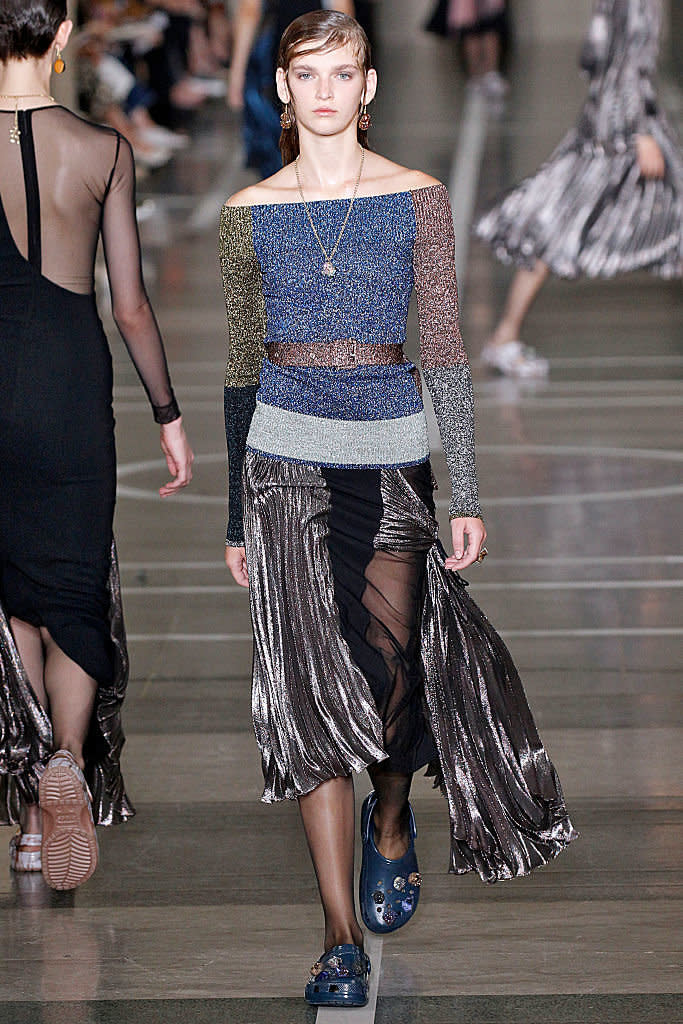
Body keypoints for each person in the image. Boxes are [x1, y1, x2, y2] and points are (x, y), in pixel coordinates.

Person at [220, 11, 576, 1008]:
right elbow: (238, 372)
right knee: (306, 703)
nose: (325, 90)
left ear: (368, 86)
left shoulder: (416, 199)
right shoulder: (246, 210)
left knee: (383, 685)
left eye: (342, 73)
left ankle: (390, 810)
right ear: (282, 91)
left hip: (386, 462)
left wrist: (461, 488)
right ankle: (334, 932)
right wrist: (235, 518)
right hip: (282, 463)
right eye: (305, 75)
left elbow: (444, 349)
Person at [0, 0, 194, 891]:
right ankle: (69, 762)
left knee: (12, 593)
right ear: (64, 37)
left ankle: (35, 818)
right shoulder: (104, 149)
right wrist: (167, 410)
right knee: (72, 585)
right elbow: (129, 306)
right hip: (70, 389)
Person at [475, 0, 682, 377]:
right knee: (552, 225)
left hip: (619, 126)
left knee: (555, 223)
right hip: (615, 134)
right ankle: (504, 336)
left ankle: (505, 336)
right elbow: (620, 65)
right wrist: (636, 134)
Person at [227, 0, 354, 179]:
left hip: (279, 57)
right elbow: (342, 13)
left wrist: (237, 74)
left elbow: (249, 12)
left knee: (276, 147)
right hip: (318, 53)